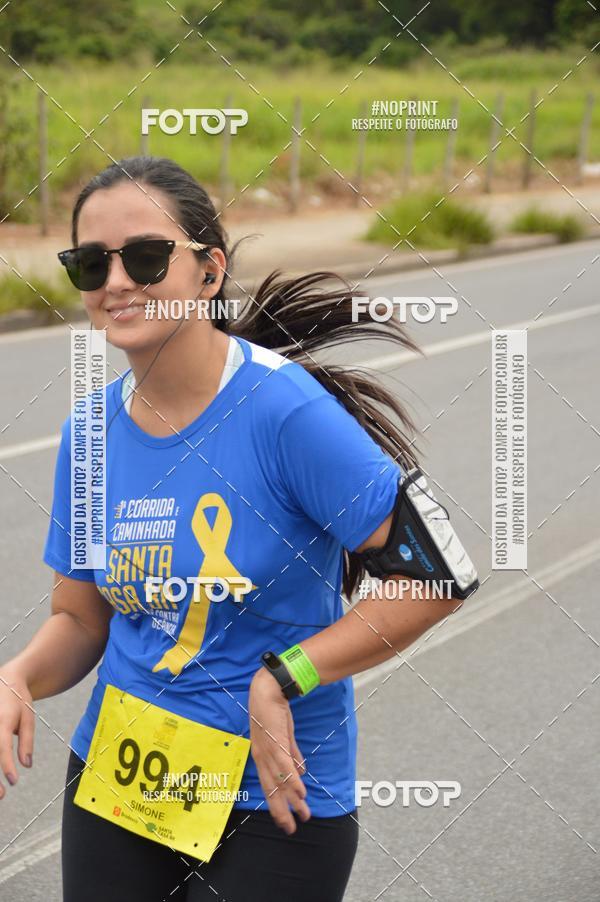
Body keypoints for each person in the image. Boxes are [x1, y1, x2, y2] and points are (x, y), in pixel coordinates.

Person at [0, 156, 462, 902]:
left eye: (146, 257)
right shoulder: (87, 435)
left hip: (275, 795)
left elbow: (436, 576)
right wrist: (16, 675)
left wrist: (284, 679)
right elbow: (79, 618)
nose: (116, 282)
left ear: (208, 272)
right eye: (90, 264)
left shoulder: (286, 412)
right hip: (125, 773)